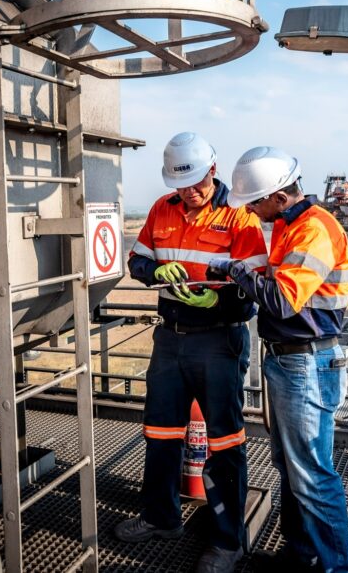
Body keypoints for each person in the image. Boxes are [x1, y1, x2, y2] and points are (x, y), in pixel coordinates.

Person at [114, 132, 267, 573]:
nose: (189, 193)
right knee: (160, 433)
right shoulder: (163, 210)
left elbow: (253, 287)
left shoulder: (239, 215)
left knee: (223, 441)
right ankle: (161, 519)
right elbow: (138, 263)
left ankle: (227, 542)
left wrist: (217, 300)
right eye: (181, 186)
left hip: (219, 340)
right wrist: (158, 268)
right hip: (170, 338)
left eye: (196, 184)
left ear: (212, 172)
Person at [206, 146, 348, 573]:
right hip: (291, 362)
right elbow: (281, 282)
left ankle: (336, 568)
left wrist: (236, 271)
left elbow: (284, 301)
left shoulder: (314, 230)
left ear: (279, 197)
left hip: (306, 364)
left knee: (312, 476)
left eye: (254, 202)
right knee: (294, 470)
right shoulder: (293, 227)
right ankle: (301, 555)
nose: (251, 211)